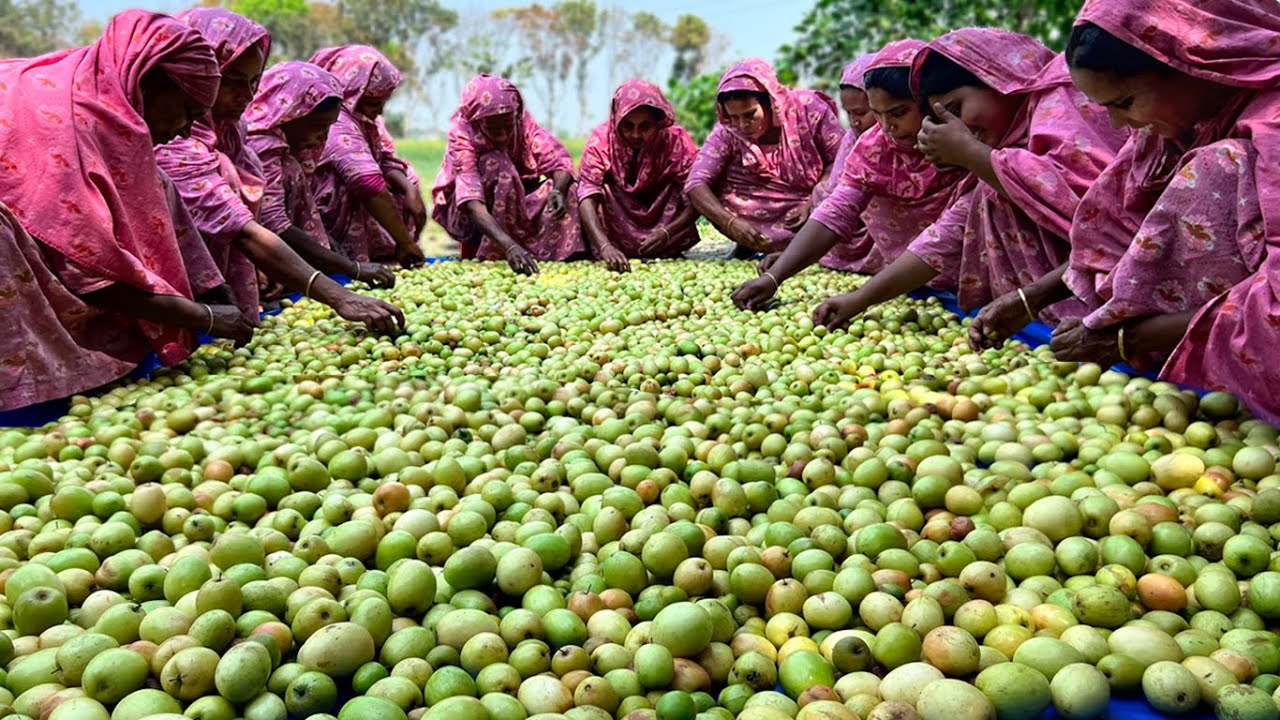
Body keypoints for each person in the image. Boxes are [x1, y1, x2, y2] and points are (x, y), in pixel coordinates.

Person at [0, 10, 256, 410]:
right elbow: (88, 269)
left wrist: (216, 297)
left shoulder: (105, 106)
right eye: (186, 111)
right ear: (147, 79)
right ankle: (30, 387)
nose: (188, 129)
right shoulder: (63, 123)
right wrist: (205, 318)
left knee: (156, 183)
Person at [1046, 0, 1280, 420]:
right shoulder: (1173, 133)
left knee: (1217, 168)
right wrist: (1030, 300)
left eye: (1125, 102)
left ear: (1191, 65)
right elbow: (1121, 231)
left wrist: (1125, 339)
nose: (1119, 126)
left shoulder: (1273, 124)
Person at [813, 28, 1126, 333]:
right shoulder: (1000, 154)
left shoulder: (1062, 106)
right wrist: (860, 299)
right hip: (1060, 311)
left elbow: (1108, 221)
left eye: (955, 108)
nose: (886, 127)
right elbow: (944, 235)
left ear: (996, 80)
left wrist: (973, 154)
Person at [156, 9, 403, 334]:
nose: (246, 96)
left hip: (223, 285)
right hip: (170, 292)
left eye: (253, 82)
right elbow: (248, 227)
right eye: (230, 81)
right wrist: (341, 290)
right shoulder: (172, 137)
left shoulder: (231, 132)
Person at [733, 41, 967, 310]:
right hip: (916, 267)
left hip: (973, 262)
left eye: (899, 113)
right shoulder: (875, 146)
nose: (888, 126)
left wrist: (861, 298)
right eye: (878, 114)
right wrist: (775, 278)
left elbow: (949, 233)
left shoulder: (965, 140)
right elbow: (837, 210)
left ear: (929, 101)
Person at [245, 60, 394, 288]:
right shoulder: (262, 146)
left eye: (328, 127)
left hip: (280, 260)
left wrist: (327, 244)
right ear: (291, 113)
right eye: (318, 126)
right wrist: (351, 268)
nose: (323, 137)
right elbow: (275, 225)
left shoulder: (288, 148)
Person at [685, 58, 845, 257]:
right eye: (734, 117)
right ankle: (752, 243)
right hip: (753, 220)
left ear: (770, 102)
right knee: (715, 183)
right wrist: (730, 222)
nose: (742, 125)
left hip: (812, 211)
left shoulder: (809, 110)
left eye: (750, 114)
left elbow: (842, 160)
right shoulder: (728, 129)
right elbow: (696, 183)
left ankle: (807, 248)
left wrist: (813, 201)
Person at [432, 74, 582, 275]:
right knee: (497, 163)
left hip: (516, 198)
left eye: (508, 128)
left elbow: (556, 160)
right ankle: (495, 253)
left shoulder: (521, 119)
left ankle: (551, 256)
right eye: (494, 130)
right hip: (472, 211)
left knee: (568, 189)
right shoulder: (463, 135)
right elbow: (471, 200)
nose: (503, 136)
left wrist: (558, 190)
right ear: (478, 121)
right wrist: (509, 246)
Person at [310, 44, 427, 267]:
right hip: (327, 211)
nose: (380, 111)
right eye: (374, 103)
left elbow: (382, 158)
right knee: (365, 185)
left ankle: (378, 253)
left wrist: (409, 189)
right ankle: (349, 261)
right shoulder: (337, 123)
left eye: (383, 103)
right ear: (351, 93)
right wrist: (405, 242)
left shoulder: (363, 121)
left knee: (404, 174)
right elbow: (367, 183)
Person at [577, 80, 701, 271]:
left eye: (644, 127)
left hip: (664, 223)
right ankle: (613, 250)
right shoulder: (601, 140)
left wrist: (669, 232)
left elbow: (699, 193)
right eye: (627, 125)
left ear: (658, 123)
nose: (635, 135)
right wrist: (604, 245)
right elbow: (587, 193)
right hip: (616, 224)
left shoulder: (675, 140)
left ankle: (666, 246)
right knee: (587, 190)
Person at [809, 54, 877, 209]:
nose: (854, 122)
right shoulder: (852, 139)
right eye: (849, 114)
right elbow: (836, 187)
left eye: (861, 113)